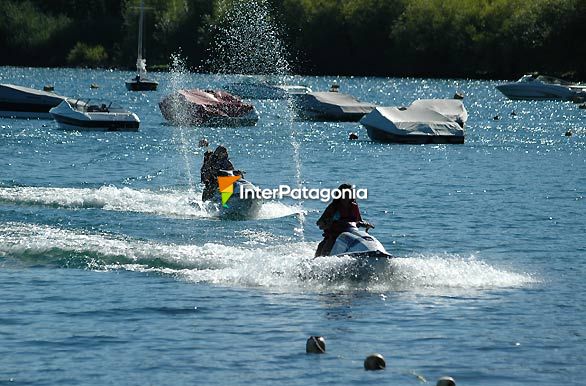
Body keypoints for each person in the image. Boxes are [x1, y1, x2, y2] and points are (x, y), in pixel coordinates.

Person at [315, 183, 373, 257]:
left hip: (350, 234)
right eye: (346, 193)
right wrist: (327, 223)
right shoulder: (333, 207)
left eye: (351, 193)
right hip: (334, 236)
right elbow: (319, 222)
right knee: (325, 250)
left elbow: (358, 221)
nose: (348, 195)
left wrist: (366, 224)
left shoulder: (354, 206)